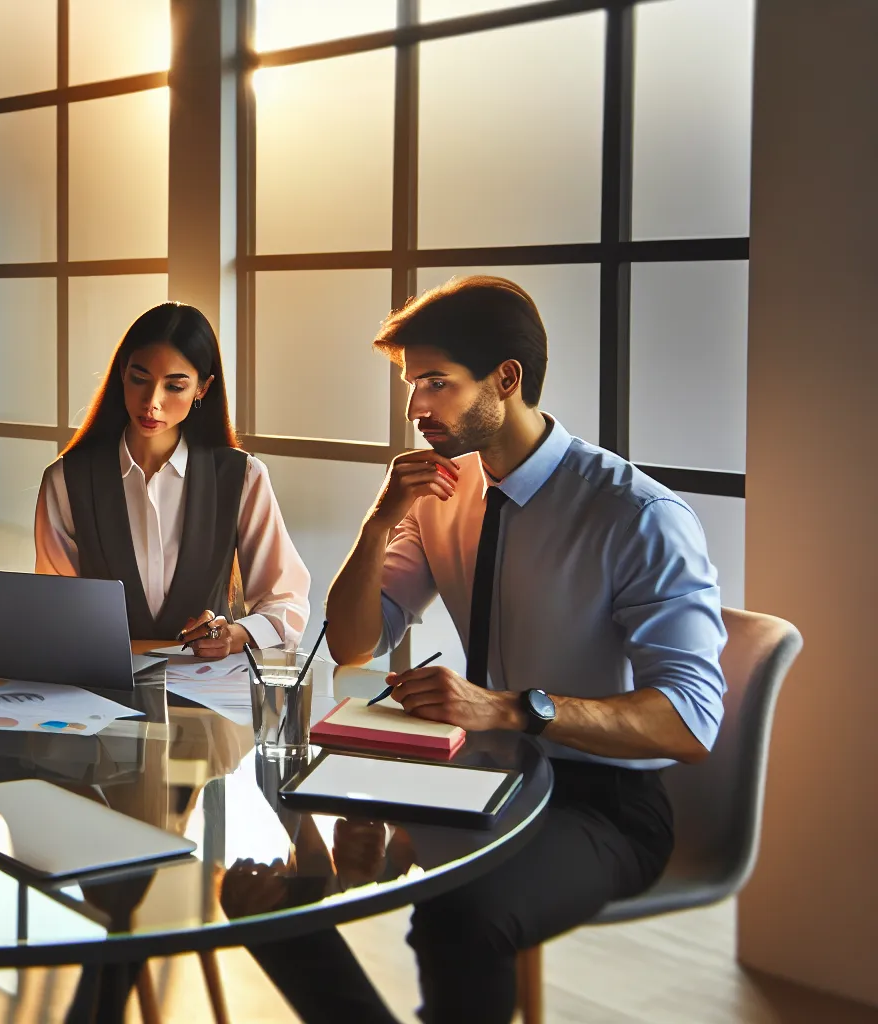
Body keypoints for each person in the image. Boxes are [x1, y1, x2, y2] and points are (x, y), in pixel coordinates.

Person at [249, 276, 728, 1024]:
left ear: (506, 379)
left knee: (460, 915)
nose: (415, 408)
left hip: (602, 806)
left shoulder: (636, 516)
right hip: (479, 774)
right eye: (413, 385)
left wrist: (506, 707)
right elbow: (353, 640)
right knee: (268, 887)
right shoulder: (444, 492)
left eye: (437, 383)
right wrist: (380, 523)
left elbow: (691, 721)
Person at [34, 302, 309, 654]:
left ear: (202, 388)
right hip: (101, 689)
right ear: (122, 372)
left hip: (209, 690)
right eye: (139, 379)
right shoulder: (66, 480)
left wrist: (236, 635)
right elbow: (55, 608)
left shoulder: (242, 477)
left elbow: (286, 601)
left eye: (175, 386)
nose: (152, 402)